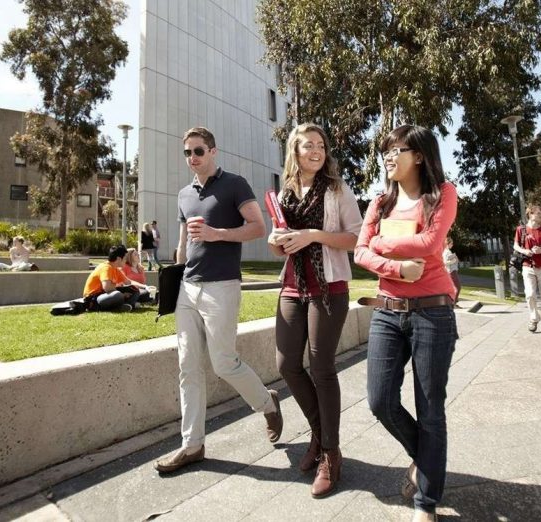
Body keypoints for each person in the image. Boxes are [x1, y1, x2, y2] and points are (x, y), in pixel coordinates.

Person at [153, 127, 282, 473]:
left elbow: (257, 227)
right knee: (187, 367)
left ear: (213, 151)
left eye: (198, 151)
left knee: (224, 362)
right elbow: (183, 242)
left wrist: (217, 235)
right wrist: (174, 278)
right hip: (188, 289)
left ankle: (267, 403)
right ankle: (192, 445)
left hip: (222, 286)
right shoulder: (184, 194)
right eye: (187, 153)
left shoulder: (235, 184)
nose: (191, 158)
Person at [354, 124, 458, 522]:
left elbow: (431, 244)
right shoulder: (379, 203)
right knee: (380, 400)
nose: (388, 157)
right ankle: (424, 457)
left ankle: (426, 503)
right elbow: (361, 253)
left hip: (433, 311)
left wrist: (378, 243)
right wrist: (395, 264)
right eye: (385, 151)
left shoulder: (442, 195)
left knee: (430, 408)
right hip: (387, 310)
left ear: (419, 155)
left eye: (396, 149)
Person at [267, 123, 362, 497]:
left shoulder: (338, 190)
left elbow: (356, 239)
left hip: (329, 287)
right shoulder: (284, 192)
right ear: (295, 150)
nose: (316, 150)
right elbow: (280, 247)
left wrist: (313, 235)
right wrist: (278, 241)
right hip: (292, 285)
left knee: (321, 367)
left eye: (321, 145)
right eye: (309, 145)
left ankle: (330, 453)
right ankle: (320, 436)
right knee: (286, 364)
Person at [513, 205, 541, 335]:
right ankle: (534, 318)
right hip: (528, 266)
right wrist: (524, 250)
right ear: (530, 215)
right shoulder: (521, 230)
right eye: (538, 213)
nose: (540, 215)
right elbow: (515, 245)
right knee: (530, 294)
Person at [82, 245, 140, 312]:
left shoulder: (115, 268)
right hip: (94, 299)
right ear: (118, 259)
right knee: (117, 295)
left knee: (134, 290)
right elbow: (107, 288)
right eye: (125, 258)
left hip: (106, 294)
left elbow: (128, 282)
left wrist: (145, 287)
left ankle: (124, 306)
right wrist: (123, 294)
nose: (126, 260)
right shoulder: (106, 268)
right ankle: (124, 306)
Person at [442, 237, 460, 306]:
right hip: (451, 272)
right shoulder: (446, 252)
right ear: (447, 244)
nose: (452, 245)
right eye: (451, 243)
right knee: (458, 287)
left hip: (452, 271)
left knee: (454, 287)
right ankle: (453, 303)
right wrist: (453, 261)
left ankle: (454, 302)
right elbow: (444, 262)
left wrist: (455, 260)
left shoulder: (448, 251)